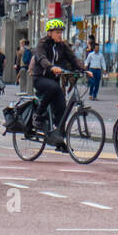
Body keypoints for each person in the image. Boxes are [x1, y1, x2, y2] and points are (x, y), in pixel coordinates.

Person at [31, 19, 87, 148]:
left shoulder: (62, 46)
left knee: (62, 108)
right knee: (54, 88)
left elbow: (72, 58)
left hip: (54, 80)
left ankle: (59, 140)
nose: (60, 35)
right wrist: (50, 67)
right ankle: (38, 115)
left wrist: (84, 70)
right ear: (50, 33)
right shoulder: (42, 44)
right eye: (57, 32)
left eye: (61, 32)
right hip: (40, 78)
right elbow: (41, 57)